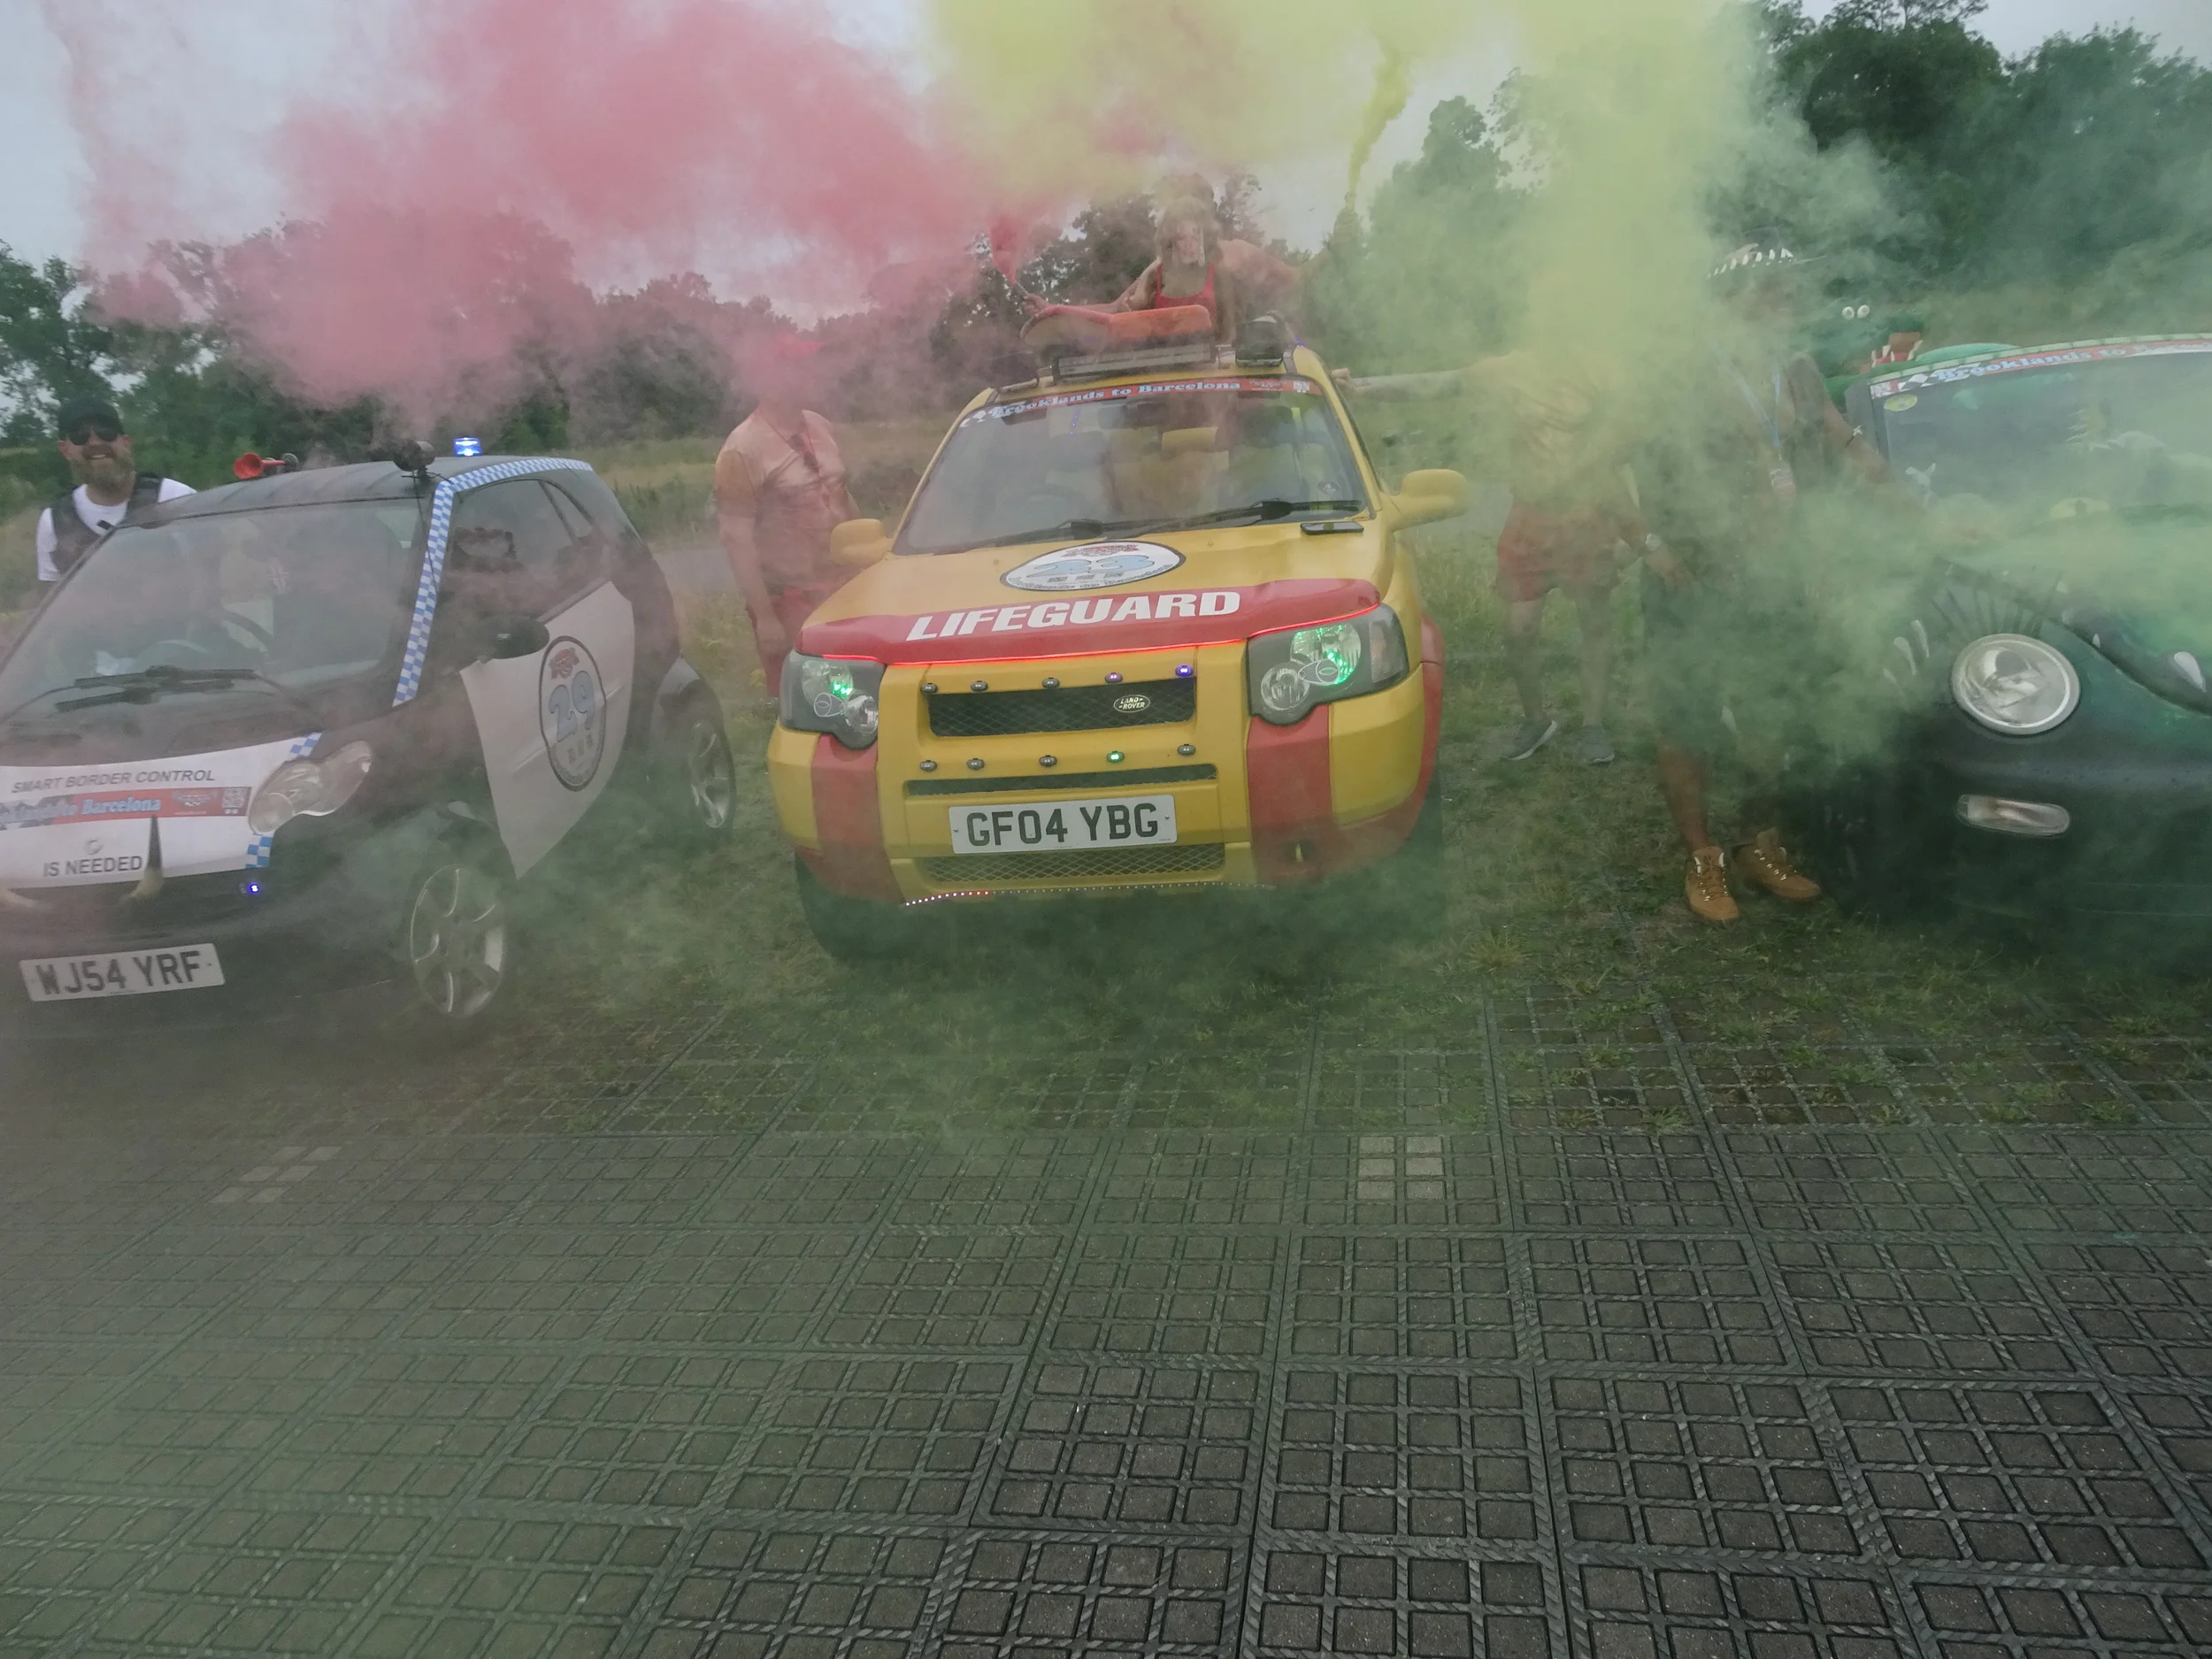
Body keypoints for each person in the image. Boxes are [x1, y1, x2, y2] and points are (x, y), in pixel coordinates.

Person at [1639, 240, 1886, 925]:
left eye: (1790, 288)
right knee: (1689, 718)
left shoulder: (1799, 368)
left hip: (1776, 577)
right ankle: (1702, 856)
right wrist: (1655, 544)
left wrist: (1920, 510)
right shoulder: (1678, 374)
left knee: (1769, 710)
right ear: (1730, 301)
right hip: (1696, 580)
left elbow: (1846, 443)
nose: (1787, 301)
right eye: (1771, 290)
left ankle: (1758, 842)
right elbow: (1620, 469)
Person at [1341, 349, 1642, 764]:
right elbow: (1441, 383)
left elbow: (1622, 455)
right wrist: (1361, 388)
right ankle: (1536, 721)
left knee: (1594, 621)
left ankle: (1593, 727)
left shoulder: (1602, 369)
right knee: (1519, 628)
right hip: (1531, 516)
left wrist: (1633, 536)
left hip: (1588, 516)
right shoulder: (1512, 370)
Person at [714, 335, 860, 696]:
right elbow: (736, 537)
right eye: (795, 367)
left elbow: (841, 494)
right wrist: (765, 618)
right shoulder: (742, 448)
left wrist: (871, 556)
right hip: (791, 600)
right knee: (815, 700)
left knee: (863, 690)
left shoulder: (819, 425)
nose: (807, 374)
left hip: (844, 587)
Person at [35, 396, 193, 583]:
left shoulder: (177, 498)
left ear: (126, 442)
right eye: (80, 435)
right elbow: (51, 600)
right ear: (65, 450)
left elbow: (208, 578)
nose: (94, 442)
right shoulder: (54, 522)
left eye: (106, 432)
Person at [1107, 192, 1240, 342]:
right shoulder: (1155, 276)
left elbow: (1229, 332)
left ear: (1205, 239)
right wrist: (1136, 295)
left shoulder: (1217, 273)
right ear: (1171, 241)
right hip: (1162, 363)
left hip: (1210, 362)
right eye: (1182, 237)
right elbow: (1128, 318)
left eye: (1195, 237)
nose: (1189, 245)